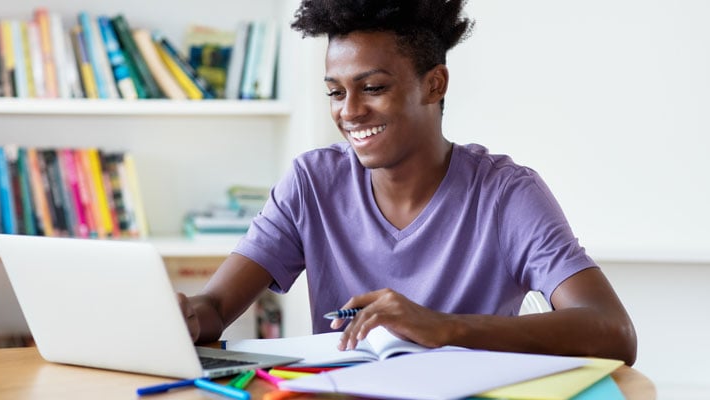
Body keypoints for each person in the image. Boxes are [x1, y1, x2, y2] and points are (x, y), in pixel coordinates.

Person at [179, 0, 637, 365]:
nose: (349, 111)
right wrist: (184, 318)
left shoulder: (505, 194)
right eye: (335, 92)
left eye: (373, 88)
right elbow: (216, 307)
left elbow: (613, 331)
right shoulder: (312, 182)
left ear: (434, 85)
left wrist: (444, 327)